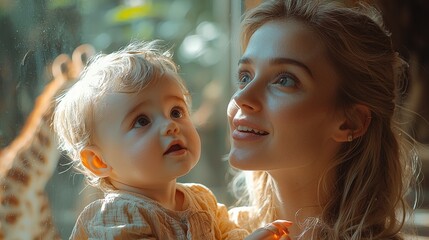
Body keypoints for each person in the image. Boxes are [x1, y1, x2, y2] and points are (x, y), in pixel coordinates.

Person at [53, 40, 291, 239]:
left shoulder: (201, 200)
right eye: (142, 121)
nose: (170, 126)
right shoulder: (117, 216)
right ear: (98, 161)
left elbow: (228, 233)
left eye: (176, 112)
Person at [227, 0, 420, 239]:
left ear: (350, 122)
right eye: (245, 76)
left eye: (285, 80)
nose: (242, 97)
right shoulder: (215, 230)